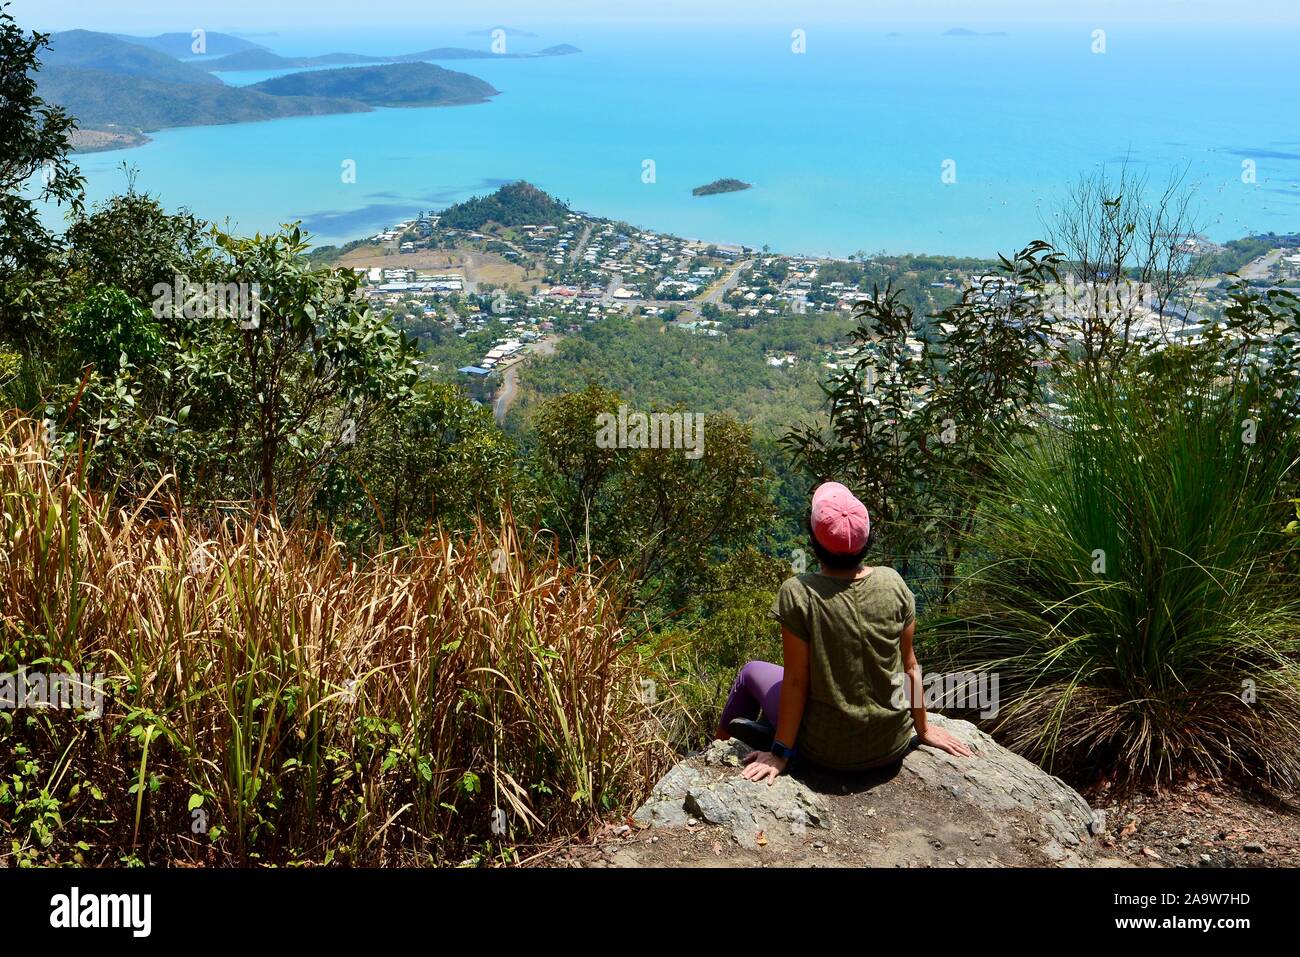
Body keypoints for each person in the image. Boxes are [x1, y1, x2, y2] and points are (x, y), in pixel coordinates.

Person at [716, 481, 973, 784]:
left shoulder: (798, 592)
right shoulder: (893, 583)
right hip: (891, 746)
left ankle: (719, 747)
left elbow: (797, 681)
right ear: (867, 541)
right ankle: (762, 731)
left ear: (813, 540)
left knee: (750, 672)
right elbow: (910, 666)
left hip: (825, 752)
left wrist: (780, 753)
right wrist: (924, 730)